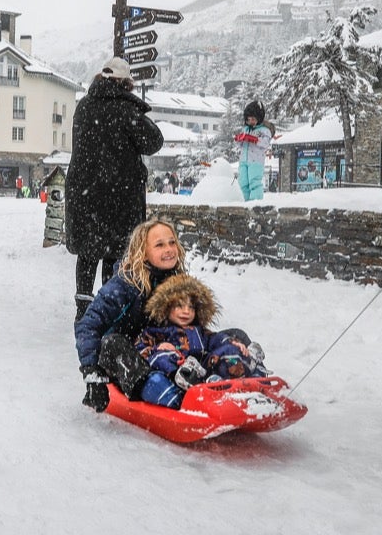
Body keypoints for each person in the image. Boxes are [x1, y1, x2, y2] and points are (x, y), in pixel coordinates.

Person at [65, 57, 164, 319]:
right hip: (117, 195)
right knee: (114, 254)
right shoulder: (125, 110)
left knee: (88, 252)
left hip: (85, 193)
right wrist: (136, 108)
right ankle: (108, 310)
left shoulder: (84, 106)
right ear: (125, 83)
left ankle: (83, 309)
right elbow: (154, 141)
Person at [75, 218, 187, 411]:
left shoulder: (181, 282)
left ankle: (235, 382)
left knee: (230, 336)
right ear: (143, 253)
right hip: (128, 359)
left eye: (172, 242)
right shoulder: (125, 284)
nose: (169, 249)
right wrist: (92, 373)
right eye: (159, 245)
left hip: (162, 351)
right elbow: (88, 324)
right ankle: (165, 392)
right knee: (113, 343)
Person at [134, 274, 263, 408]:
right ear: (167, 307)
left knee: (229, 350)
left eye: (191, 307)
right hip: (174, 373)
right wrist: (159, 347)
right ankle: (189, 379)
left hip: (203, 371)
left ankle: (245, 374)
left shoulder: (199, 331)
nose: (186, 311)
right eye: (179, 306)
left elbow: (216, 339)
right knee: (164, 357)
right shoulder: (157, 331)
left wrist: (233, 343)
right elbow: (140, 349)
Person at [234, 100, 274, 202]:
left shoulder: (264, 131)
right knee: (243, 182)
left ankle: (255, 203)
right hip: (244, 160)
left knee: (254, 182)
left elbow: (265, 143)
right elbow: (240, 145)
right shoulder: (246, 129)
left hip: (256, 161)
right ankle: (245, 202)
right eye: (248, 119)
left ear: (258, 118)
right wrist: (239, 139)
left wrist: (255, 140)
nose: (250, 121)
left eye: (253, 119)